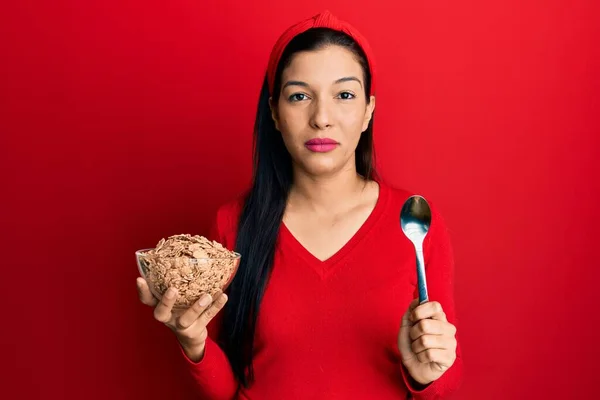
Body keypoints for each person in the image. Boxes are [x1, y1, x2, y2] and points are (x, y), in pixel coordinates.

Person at [136, 10, 463, 400]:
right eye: (299, 96)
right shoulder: (233, 225)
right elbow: (230, 390)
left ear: (368, 111)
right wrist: (193, 343)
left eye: (344, 95)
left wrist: (426, 374)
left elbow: (444, 384)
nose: (321, 118)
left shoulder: (416, 225)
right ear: (275, 112)